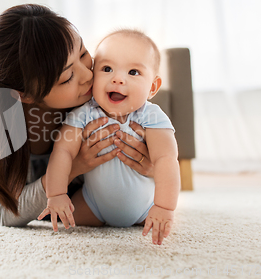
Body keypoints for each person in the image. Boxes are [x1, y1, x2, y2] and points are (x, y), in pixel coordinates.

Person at [0, 4, 155, 228]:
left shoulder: (103, 90)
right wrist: (73, 166)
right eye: (67, 78)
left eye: (83, 53)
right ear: (24, 95)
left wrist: (152, 168)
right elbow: (4, 212)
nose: (88, 76)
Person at [38, 29, 180, 245]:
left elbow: (167, 160)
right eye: (107, 68)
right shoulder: (83, 114)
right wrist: (56, 195)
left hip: (145, 208)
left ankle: (156, 214)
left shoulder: (151, 116)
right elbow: (62, 152)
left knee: (160, 220)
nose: (118, 79)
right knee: (62, 221)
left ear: (152, 87)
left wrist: (164, 207)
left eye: (133, 72)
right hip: (93, 205)